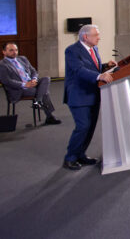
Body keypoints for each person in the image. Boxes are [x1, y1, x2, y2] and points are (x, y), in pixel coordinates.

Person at [63, 25, 116, 171]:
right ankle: (70, 158)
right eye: (96, 35)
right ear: (86, 37)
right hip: (78, 96)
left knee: (90, 127)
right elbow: (79, 70)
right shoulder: (72, 51)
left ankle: (81, 154)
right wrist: (100, 76)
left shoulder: (94, 49)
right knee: (83, 126)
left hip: (93, 94)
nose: (99, 37)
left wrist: (105, 66)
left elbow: (92, 68)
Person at [0, 42, 60, 125]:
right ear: (4, 52)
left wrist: (34, 79)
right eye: (11, 50)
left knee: (46, 79)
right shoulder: (2, 65)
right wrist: (25, 84)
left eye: (16, 50)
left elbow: (33, 71)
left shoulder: (22, 59)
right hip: (20, 89)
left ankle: (39, 102)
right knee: (44, 92)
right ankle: (49, 116)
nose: (15, 52)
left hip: (32, 83)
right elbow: (6, 81)